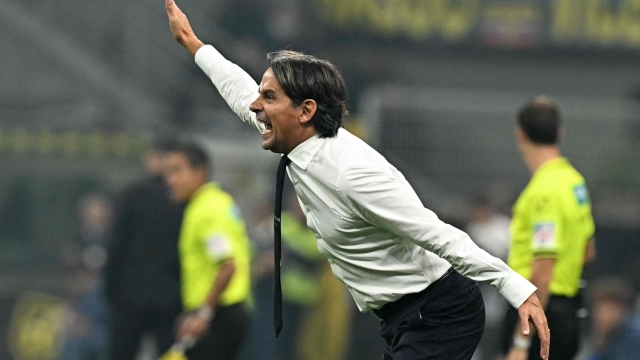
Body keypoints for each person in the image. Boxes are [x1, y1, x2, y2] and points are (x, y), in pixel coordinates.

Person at [164, 2, 550, 359]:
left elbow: (436, 233)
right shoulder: (298, 136)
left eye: (268, 97)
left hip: (439, 314)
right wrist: (194, 45)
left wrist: (516, 288)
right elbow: (238, 90)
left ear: (306, 110)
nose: (255, 105)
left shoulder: (352, 172)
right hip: (402, 316)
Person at [504, 96, 596, 360]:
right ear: (559, 132)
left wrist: (520, 344)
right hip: (567, 313)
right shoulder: (575, 183)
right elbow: (587, 252)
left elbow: (542, 273)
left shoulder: (543, 192)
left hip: (538, 317)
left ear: (520, 134)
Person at [163, 142, 252, 360]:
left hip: (219, 313)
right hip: (220, 311)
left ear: (200, 171)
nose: (170, 180)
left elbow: (228, 266)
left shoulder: (208, 210)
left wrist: (203, 314)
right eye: (167, 173)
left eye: (177, 171)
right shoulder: (213, 203)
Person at [105, 140, 185, 360]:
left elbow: (116, 247)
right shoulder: (183, 200)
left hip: (130, 295)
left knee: (122, 353)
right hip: (171, 296)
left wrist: (110, 290)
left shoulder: (132, 196)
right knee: (170, 354)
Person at [586, 278, 640, 360]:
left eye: (608, 309)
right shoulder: (606, 334)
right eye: (598, 309)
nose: (603, 316)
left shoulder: (633, 337)